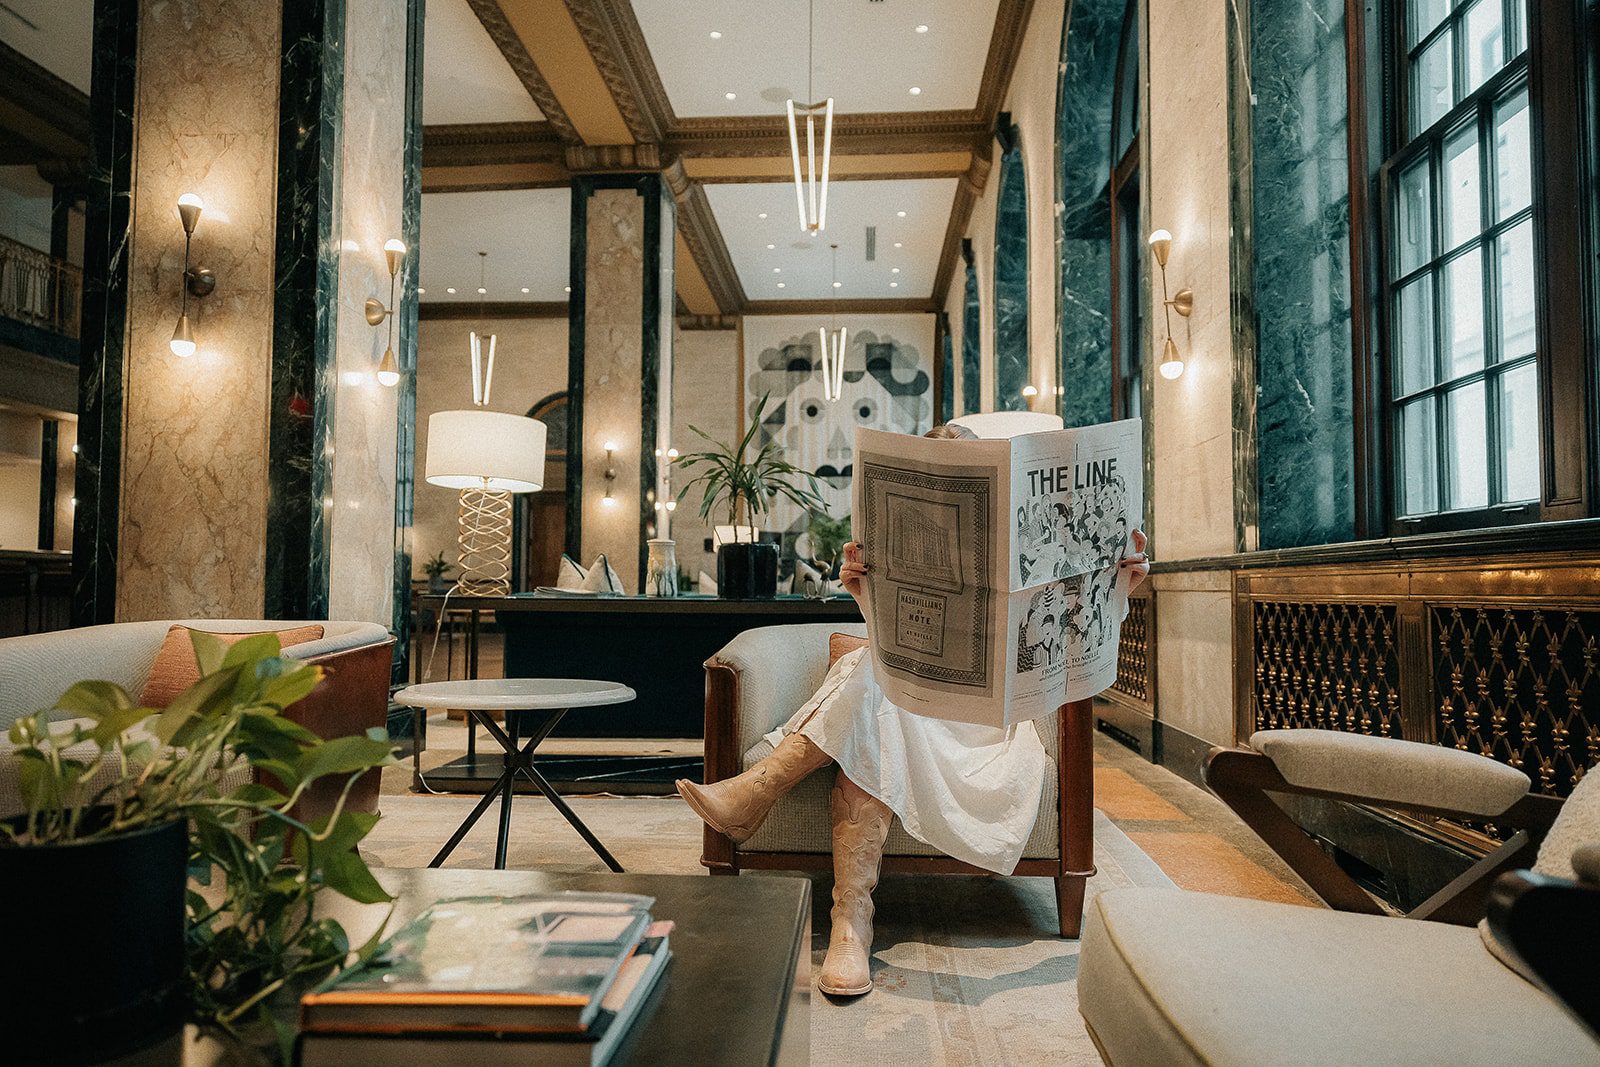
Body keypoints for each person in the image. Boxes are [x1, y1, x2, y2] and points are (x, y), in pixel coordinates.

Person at [676, 424, 1150, 998]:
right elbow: (897, 643)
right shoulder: (906, 549)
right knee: (877, 690)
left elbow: (1070, 635)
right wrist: (862, 594)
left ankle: (763, 799)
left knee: (871, 690)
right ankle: (850, 922)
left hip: (981, 732)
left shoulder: (1025, 547)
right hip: (907, 708)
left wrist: (1119, 578)